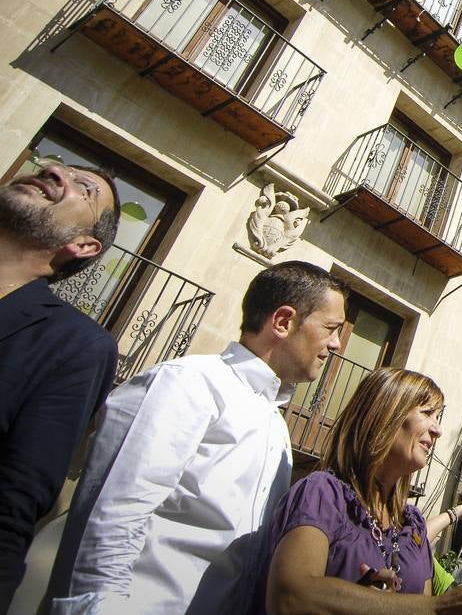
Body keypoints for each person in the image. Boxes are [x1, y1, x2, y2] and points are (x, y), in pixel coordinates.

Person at [45, 261, 348, 613]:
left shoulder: (274, 424)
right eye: (330, 328)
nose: (338, 344)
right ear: (282, 322)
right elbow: (113, 519)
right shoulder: (186, 384)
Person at [261, 367, 462, 613]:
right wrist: (434, 606)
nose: (438, 430)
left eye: (438, 418)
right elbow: (289, 597)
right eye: (427, 413)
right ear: (386, 415)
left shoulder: (414, 525)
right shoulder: (323, 494)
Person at [0, 158, 120, 610]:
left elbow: (12, 511)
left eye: (83, 187)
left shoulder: (74, 346)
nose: (52, 170)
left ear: (83, 245)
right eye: (53, 162)